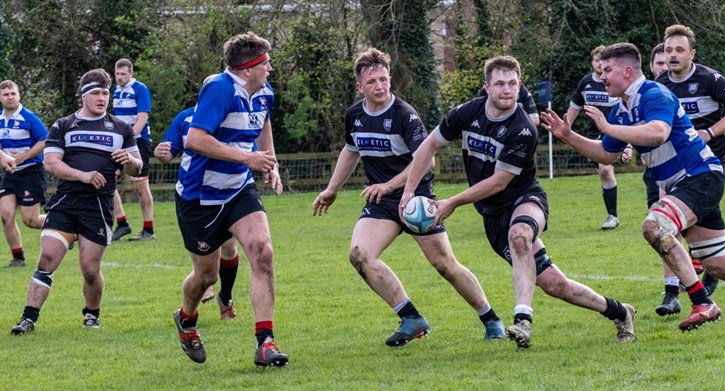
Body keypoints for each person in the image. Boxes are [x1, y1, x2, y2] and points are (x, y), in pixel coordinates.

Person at [541, 42, 725, 333]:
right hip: (685, 183)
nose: (602, 77)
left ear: (627, 71)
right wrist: (568, 136)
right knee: (719, 265)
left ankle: (702, 303)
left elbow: (658, 132)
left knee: (654, 226)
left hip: (700, 175)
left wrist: (607, 128)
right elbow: (605, 154)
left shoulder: (654, 93)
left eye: (608, 71)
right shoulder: (619, 111)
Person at [401, 55, 636, 349]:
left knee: (520, 235)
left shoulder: (523, 128)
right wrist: (409, 191)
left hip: (525, 198)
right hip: (493, 214)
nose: (507, 90)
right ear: (487, 87)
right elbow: (429, 145)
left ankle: (523, 321)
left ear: (519, 85)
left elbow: (499, 182)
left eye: (512, 84)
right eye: (500, 84)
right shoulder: (466, 113)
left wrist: (453, 202)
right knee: (554, 284)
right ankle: (619, 311)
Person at [312, 48, 505, 346]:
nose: (380, 86)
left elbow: (426, 161)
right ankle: (411, 317)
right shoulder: (354, 115)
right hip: (382, 204)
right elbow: (351, 151)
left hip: (416, 200)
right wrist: (331, 189)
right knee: (359, 255)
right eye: (372, 81)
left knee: (444, 264)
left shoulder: (404, 115)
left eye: (384, 79)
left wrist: (389, 185)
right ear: (360, 86)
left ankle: (490, 318)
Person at [173, 31, 287, 367]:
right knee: (206, 277)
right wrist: (248, 158)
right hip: (200, 196)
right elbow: (195, 139)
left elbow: (263, 123)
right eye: (265, 63)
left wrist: (270, 162)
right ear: (248, 69)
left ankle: (265, 343)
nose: (270, 68)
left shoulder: (264, 91)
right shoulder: (220, 89)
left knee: (263, 252)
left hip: (238, 189)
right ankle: (186, 318)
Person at [10, 69, 142, 335]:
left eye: (105, 93)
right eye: (96, 93)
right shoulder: (64, 125)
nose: (102, 98)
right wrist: (83, 175)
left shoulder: (121, 128)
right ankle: (28, 319)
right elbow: (51, 163)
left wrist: (129, 160)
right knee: (47, 257)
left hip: (98, 206)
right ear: (84, 95)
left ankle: (91, 315)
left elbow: (137, 167)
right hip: (66, 202)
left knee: (90, 269)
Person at [650, 25, 725, 316]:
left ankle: (709, 271)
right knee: (666, 224)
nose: (673, 55)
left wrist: (709, 132)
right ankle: (674, 291)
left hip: (708, 167)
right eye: (668, 50)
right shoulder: (659, 85)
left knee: (689, 227)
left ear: (692, 54)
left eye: (679, 50)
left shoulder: (710, 79)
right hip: (671, 167)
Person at [154, 75, 240, 321]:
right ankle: (198, 297)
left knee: (229, 248)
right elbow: (167, 152)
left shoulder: (233, 117)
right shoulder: (184, 119)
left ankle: (225, 297)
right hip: (193, 197)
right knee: (205, 267)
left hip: (226, 194)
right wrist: (161, 153)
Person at [565, 45, 629, 230]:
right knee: (604, 173)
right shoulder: (585, 83)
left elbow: (627, 110)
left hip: (613, 132)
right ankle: (612, 214)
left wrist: (628, 144)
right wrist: (565, 128)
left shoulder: (615, 82)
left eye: (603, 61)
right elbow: (574, 108)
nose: (600, 64)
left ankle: (612, 216)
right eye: (597, 61)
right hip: (593, 135)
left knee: (605, 170)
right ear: (592, 62)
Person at [0, 80, 48, 268]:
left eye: (13, 93)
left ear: (19, 95)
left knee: (31, 220)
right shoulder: (0, 119)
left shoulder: (29, 117)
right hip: (12, 174)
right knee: (6, 215)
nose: (10, 97)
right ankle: (18, 258)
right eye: (6, 94)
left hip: (31, 172)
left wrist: (23, 157)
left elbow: (45, 140)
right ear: (0, 98)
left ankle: (66, 224)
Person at [111, 58, 156, 241]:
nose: (120, 77)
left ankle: (148, 230)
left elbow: (142, 119)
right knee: (107, 180)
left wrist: (129, 139)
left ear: (131, 73)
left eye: (123, 74)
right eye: (117, 74)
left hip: (139, 141)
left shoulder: (140, 89)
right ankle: (122, 224)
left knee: (140, 186)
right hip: (119, 142)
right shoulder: (115, 90)